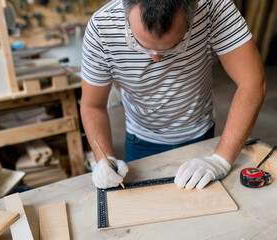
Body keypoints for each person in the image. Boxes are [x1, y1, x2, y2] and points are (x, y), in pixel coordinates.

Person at [80, 0, 266, 190]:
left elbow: (252, 82)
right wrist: (104, 159)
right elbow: (92, 105)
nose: (156, 58)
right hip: (140, 139)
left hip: (200, 134)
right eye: (141, 44)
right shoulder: (102, 28)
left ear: (195, 8)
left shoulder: (213, 6)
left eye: (172, 46)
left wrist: (221, 159)